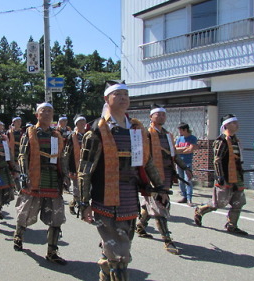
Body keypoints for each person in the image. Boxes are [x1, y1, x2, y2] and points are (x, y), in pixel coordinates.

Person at [78, 81, 164, 280]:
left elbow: (146, 160)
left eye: (126, 94)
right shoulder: (97, 131)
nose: (123, 97)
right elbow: (85, 170)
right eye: (118, 94)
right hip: (104, 198)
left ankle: (105, 268)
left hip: (129, 198)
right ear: (107, 99)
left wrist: (158, 185)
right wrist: (83, 202)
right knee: (120, 253)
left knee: (121, 243)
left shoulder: (136, 129)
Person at [13, 102, 67, 265]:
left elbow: (61, 157)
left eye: (50, 111)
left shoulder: (56, 135)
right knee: (26, 212)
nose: (47, 114)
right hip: (34, 177)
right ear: (37, 115)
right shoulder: (29, 133)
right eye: (44, 111)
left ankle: (52, 251)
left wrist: (64, 176)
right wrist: (24, 175)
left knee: (56, 216)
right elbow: (22, 156)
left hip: (52, 179)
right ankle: (18, 235)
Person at [135, 104, 191, 255]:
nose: (161, 117)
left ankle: (140, 226)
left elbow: (174, 155)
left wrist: (185, 168)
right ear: (151, 117)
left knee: (153, 203)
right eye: (158, 114)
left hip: (166, 174)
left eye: (163, 115)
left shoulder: (168, 135)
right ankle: (167, 240)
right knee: (160, 205)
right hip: (152, 175)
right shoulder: (146, 134)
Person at [194, 114, 248, 235]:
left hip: (237, 175)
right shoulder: (221, 141)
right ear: (226, 125)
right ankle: (200, 210)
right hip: (225, 175)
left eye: (236, 122)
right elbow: (217, 160)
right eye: (233, 123)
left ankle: (232, 225)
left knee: (238, 201)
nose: (236, 125)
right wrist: (220, 176)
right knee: (219, 202)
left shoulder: (236, 140)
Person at [63, 115, 87, 215]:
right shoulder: (72, 136)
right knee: (77, 189)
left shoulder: (88, 135)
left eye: (83, 121)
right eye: (80, 121)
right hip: (74, 167)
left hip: (86, 168)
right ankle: (82, 209)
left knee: (85, 189)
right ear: (76, 124)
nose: (82, 123)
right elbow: (66, 154)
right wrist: (66, 169)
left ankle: (73, 203)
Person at [175, 122, 198, 205]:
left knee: (188, 180)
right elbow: (175, 150)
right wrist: (184, 148)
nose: (179, 132)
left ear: (185, 130)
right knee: (180, 181)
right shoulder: (179, 139)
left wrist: (181, 150)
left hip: (187, 163)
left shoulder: (192, 138)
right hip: (178, 162)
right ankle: (184, 196)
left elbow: (190, 150)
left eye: (180, 130)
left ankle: (189, 198)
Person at [7, 117, 23, 193]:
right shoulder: (9, 132)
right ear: (13, 122)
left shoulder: (23, 132)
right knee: (13, 171)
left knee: (18, 172)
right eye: (17, 121)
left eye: (20, 121)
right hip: (11, 153)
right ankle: (17, 188)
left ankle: (18, 188)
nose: (19, 123)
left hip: (20, 154)